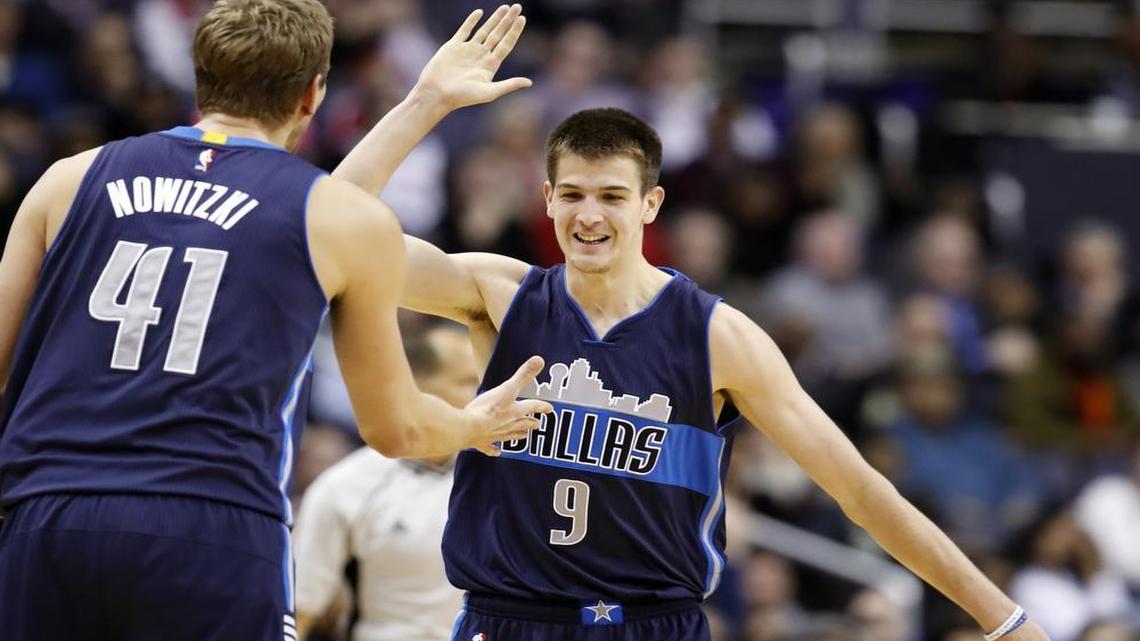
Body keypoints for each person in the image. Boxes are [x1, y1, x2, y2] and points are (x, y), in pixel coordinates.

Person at [333, 15, 1054, 641]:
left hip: (657, 620)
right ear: (546, 198)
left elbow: (861, 492)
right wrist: (425, 103)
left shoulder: (719, 336)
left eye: (613, 196)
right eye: (574, 194)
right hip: (510, 613)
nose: (590, 216)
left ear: (651, 205)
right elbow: (330, 227)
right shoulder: (498, 293)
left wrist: (1003, 618)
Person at [0, 2, 549, 640]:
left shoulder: (67, 180)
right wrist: (470, 423)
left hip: (48, 518)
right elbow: (396, 427)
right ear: (312, 95)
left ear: (199, 72)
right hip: (212, 527)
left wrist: (424, 102)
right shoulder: (336, 220)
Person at [293, 323, 479, 641]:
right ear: (418, 389)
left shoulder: (505, 479)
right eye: (468, 381)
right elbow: (301, 610)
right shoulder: (347, 485)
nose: (485, 393)